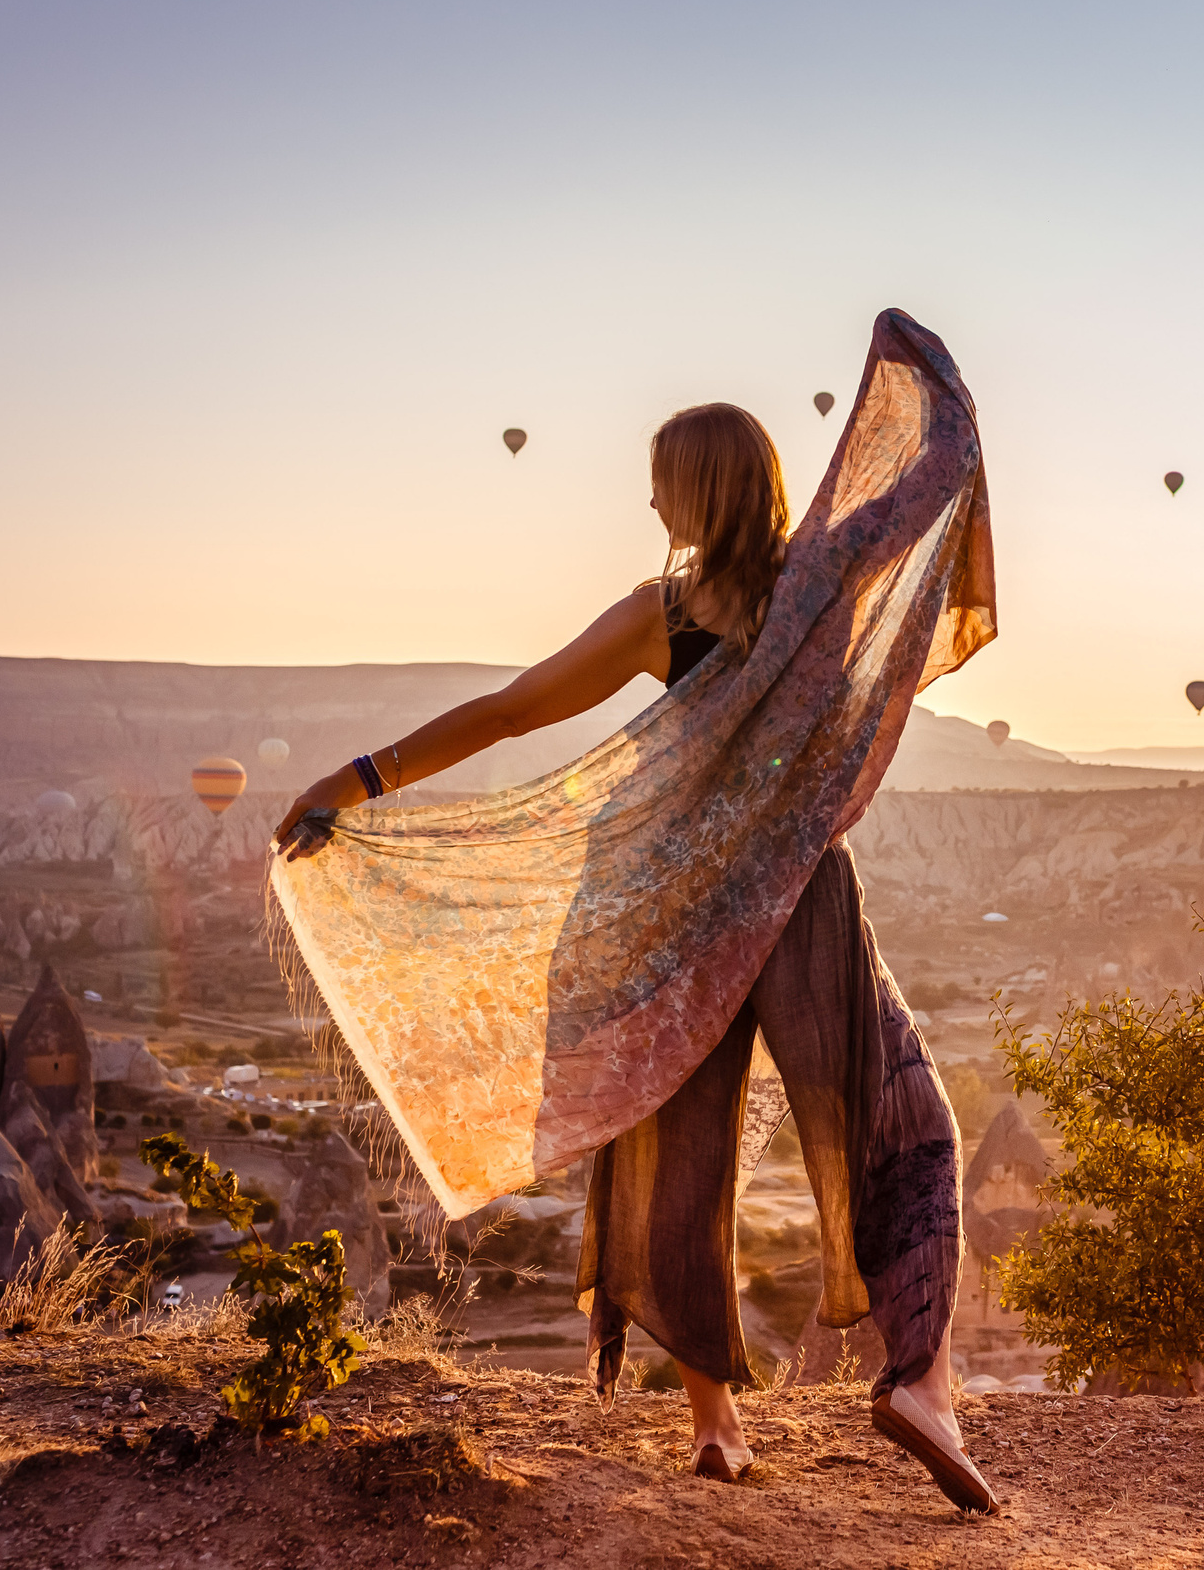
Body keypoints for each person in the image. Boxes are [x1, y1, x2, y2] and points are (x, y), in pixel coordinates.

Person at [273, 401, 994, 1514]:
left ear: (696, 492)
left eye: (660, 481)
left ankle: (717, 1427)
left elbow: (512, 713)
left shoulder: (662, 614)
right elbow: (931, 476)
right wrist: (925, 379)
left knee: (674, 1160)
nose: (649, 502)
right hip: (799, 901)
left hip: (679, 917)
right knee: (900, 1122)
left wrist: (355, 781)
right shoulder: (828, 576)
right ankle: (921, 1383)